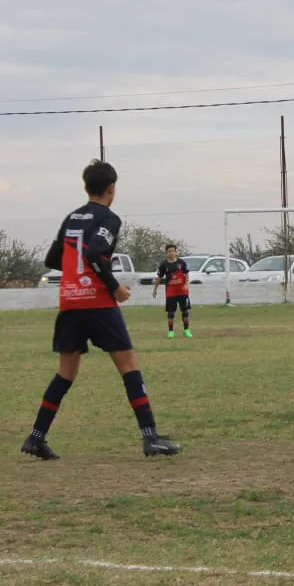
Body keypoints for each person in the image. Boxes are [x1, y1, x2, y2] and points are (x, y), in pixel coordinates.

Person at [21, 160, 182, 460]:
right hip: (97, 302)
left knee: (65, 374)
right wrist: (114, 286)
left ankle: (36, 437)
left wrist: (77, 274)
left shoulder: (72, 217)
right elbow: (94, 251)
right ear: (111, 188)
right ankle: (150, 437)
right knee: (129, 367)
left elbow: (53, 258)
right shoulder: (109, 218)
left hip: (70, 303)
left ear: (87, 187)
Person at [152, 244, 193, 338]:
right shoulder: (164, 264)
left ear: (176, 252)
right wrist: (155, 289)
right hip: (171, 291)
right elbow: (159, 277)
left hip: (182, 291)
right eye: (169, 251)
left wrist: (186, 284)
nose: (171, 253)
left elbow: (186, 274)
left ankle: (186, 330)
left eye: (173, 251)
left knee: (185, 311)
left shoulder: (181, 262)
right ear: (167, 253)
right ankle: (171, 331)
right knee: (171, 312)